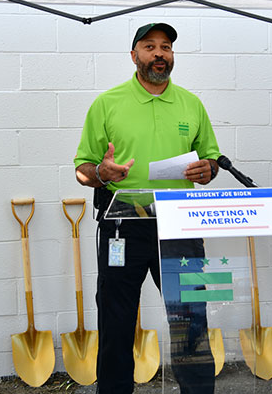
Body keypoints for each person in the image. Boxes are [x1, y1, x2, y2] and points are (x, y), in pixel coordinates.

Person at [74, 22, 220, 393]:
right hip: (123, 225)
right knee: (117, 319)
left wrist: (209, 169)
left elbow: (212, 158)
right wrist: (101, 173)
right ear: (134, 55)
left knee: (191, 317)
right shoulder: (107, 104)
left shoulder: (191, 103)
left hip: (179, 225)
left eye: (166, 47)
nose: (159, 54)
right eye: (150, 47)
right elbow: (82, 168)